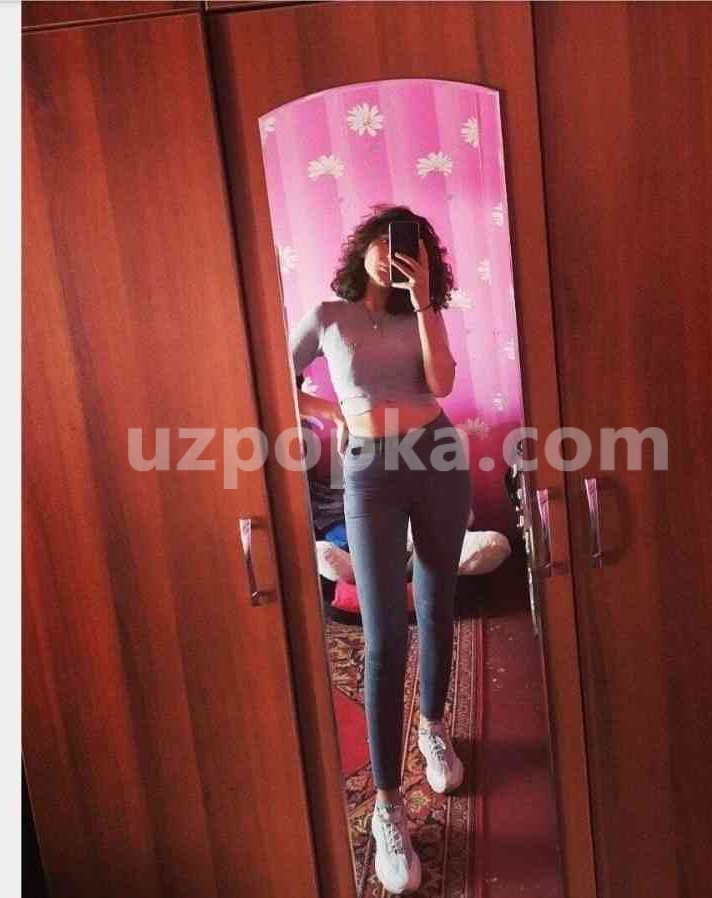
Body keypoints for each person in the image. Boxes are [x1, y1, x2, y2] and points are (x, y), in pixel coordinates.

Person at [289, 205, 471, 894]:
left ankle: (433, 727)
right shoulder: (327, 317)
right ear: (362, 246)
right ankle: (388, 807)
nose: (393, 253)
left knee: (437, 605)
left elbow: (443, 383)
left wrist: (424, 302)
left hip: (438, 456)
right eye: (384, 239)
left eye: (410, 246)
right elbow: (270, 375)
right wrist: (331, 412)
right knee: (384, 635)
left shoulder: (421, 312)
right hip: (369, 470)